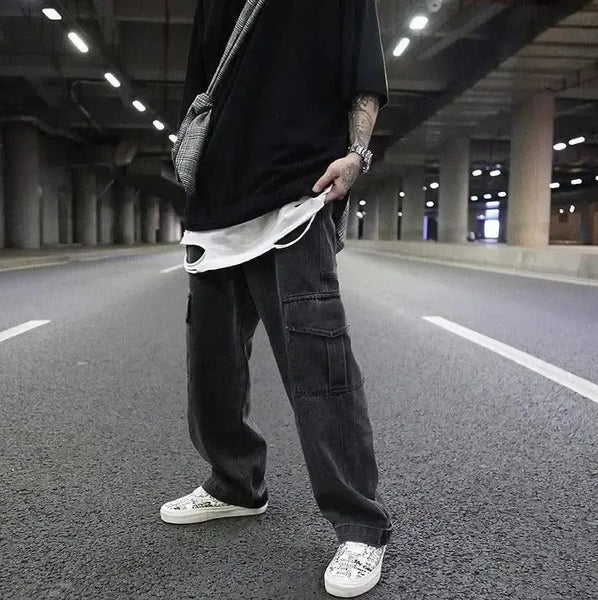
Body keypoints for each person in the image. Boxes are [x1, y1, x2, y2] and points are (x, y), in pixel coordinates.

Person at [160, 1, 393, 596]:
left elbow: (365, 74)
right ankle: (236, 483)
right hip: (216, 204)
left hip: (299, 190)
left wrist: (357, 153)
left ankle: (359, 525)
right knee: (211, 364)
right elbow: (200, 90)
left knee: (318, 362)